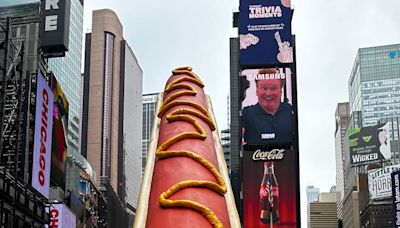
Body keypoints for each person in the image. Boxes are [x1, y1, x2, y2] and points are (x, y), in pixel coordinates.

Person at [242, 71, 293, 145]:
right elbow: (237, 138)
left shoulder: (290, 111)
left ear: (280, 91)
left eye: (273, 89)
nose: (268, 93)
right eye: (264, 88)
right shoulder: (247, 114)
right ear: (257, 91)